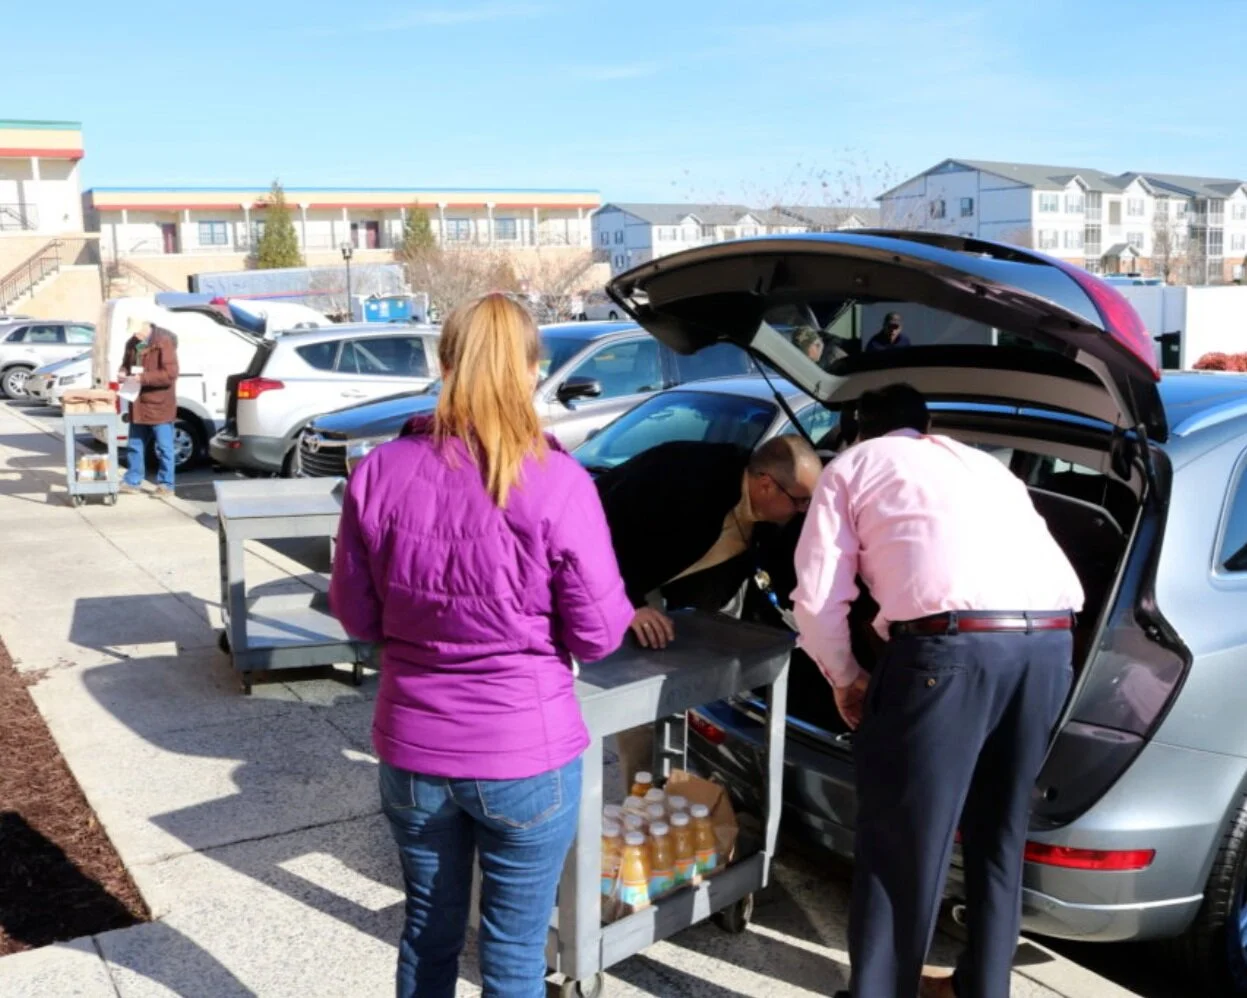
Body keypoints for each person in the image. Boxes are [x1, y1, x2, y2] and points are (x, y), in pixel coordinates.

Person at [330, 293, 634, 998]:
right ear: (531, 370)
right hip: (525, 749)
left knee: (428, 930)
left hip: (413, 743)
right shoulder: (559, 480)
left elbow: (354, 613)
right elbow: (596, 631)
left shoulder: (379, 471)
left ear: (444, 364)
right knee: (513, 949)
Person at [791, 383, 1084, 998]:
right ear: (927, 425)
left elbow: (818, 602)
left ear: (858, 430)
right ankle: (984, 989)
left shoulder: (854, 465)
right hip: (1052, 644)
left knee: (903, 841)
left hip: (949, 651)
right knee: (999, 832)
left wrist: (845, 678)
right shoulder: (984, 466)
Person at [596, 434, 821, 785]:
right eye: (800, 501)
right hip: (615, 578)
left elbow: (780, 572)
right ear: (766, 486)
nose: (803, 510)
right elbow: (599, 533)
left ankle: (669, 788)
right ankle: (639, 802)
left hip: (673, 588)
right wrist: (630, 605)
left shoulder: (773, 513)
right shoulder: (684, 477)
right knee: (637, 694)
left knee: (676, 688)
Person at [119, 317, 179, 497]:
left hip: (159, 404)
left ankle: (166, 484)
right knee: (134, 444)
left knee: (164, 447)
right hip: (137, 401)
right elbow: (126, 363)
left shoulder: (163, 342)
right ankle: (132, 481)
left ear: (147, 327)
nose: (135, 336)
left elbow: (170, 374)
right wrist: (123, 372)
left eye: (137, 332)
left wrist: (142, 378)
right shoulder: (132, 342)